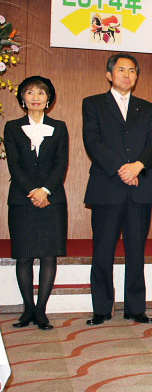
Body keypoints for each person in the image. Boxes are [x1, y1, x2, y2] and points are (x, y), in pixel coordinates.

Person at [83, 53, 152, 325]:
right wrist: (122, 168)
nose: (127, 75)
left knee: (136, 251)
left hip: (139, 188)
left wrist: (138, 166)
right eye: (121, 70)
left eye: (132, 71)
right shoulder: (93, 103)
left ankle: (136, 308)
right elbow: (93, 141)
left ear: (136, 77)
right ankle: (102, 308)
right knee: (103, 250)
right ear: (109, 75)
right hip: (107, 187)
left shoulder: (147, 107)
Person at [4, 76, 68, 330]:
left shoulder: (59, 127)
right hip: (22, 200)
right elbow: (14, 164)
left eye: (41, 93)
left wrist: (45, 191)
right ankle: (27, 309)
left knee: (48, 256)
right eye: (30, 92)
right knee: (24, 257)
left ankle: (41, 311)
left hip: (52, 200)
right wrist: (33, 191)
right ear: (22, 98)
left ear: (48, 98)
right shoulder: (12, 127)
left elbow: (61, 163)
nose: (35, 97)